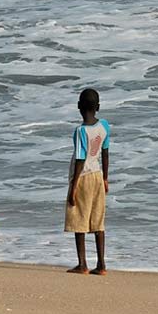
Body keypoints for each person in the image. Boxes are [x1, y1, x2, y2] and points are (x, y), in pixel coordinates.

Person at [64, 88, 110, 275]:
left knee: (79, 220)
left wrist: (73, 188)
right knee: (98, 221)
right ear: (98, 107)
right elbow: (105, 153)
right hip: (98, 175)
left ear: (78, 107)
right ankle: (101, 264)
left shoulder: (80, 131)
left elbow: (81, 159)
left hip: (83, 177)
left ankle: (82, 264)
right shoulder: (104, 126)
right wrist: (106, 178)